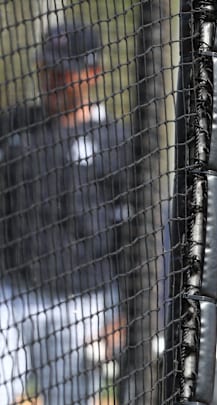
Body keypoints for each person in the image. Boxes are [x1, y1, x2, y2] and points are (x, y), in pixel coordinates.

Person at [0, 19, 130, 404]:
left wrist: (124, 314)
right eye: (47, 70)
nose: (53, 80)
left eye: (63, 72)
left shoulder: (118, 141)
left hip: (83, 304)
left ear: (92, 73)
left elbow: (137, 238)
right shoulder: (12, 127)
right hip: (11, 295)